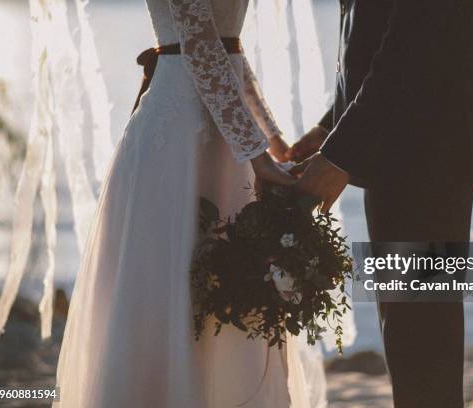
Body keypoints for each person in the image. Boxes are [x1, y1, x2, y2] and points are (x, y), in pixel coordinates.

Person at [53, 1, 313, 407]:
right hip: (178, 140)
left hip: (229, 142)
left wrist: (273, 144)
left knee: (235, 283)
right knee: (170, 277)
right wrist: (257, 154)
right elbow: (201, 46)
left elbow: (230, 50)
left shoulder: (248, 134)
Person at [289, 1, 473, 406]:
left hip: (430, 156)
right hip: (401, 155)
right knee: (408, 335)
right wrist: (331, 127)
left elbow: (416, 46)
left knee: (423, 339)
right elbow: (380, 37)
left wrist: (340, 153)